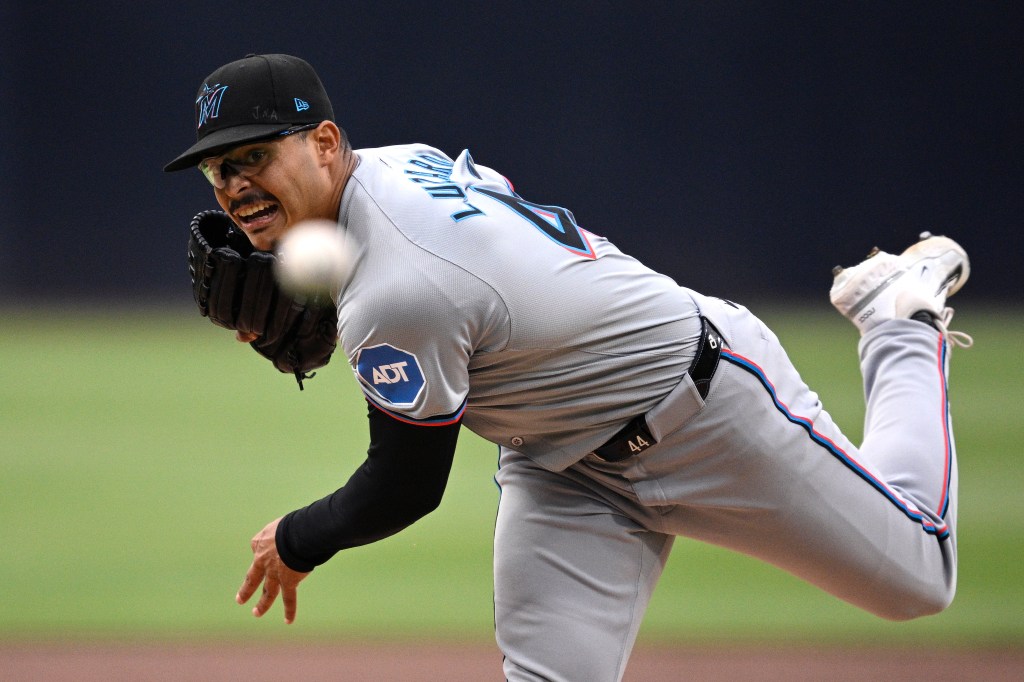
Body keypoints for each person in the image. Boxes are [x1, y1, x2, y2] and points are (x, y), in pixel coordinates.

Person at [165, 54, 972, 681]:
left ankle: (896, 319)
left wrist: (298, 541)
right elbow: (472, 277)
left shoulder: (397, 291)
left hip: (707, 407)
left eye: (254, 157)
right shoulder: (389, 164)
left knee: (918, 577)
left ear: (326, 144)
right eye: (218, 170)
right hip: (563, 464)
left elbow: (405, 484)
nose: (235, 185)